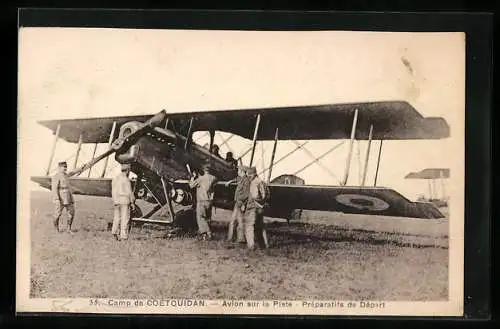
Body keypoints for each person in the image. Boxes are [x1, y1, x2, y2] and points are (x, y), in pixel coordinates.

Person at [243, 166, 270, 250]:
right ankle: (265, 244)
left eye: (249, 175)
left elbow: (255, 196)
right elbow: (268, 193)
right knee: (260, 226)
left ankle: (251, 245)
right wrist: (263, 202)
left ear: (252, 174)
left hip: (253, 206)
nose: (248, 176)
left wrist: (256, 201)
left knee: (249, 225)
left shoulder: (254, 183)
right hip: (261, 207)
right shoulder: (262, 181)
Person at [189, 163, 218, 240]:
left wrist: (193, 177)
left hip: (202, 201)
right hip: (210, 201)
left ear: (203, 170)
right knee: (207, 217)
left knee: (201, 218)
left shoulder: (200, 179)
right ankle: (205, 235)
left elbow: (191, 185)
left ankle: (208, 233)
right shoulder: (214, 178)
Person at [224, 165, 250, 243]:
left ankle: (240, 239)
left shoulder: (246, 181)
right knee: (233, 221)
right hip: (237, 203)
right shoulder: (241, 178)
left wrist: (243, 204)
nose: (237, 171)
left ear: (242, 171)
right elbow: (236, 179)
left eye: (239, 170)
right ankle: (230, 238)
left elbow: (246, 194)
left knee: (240, 222)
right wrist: (230, 181)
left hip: (240, 203)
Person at [111, 164, 136, 241]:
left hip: (116, 200)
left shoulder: (115, 179)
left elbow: (113, 191)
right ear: (128, 170)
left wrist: (114, 200)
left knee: (116, 218)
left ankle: (114, 232)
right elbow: (129, 192)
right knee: (125, 218)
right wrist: (132, 202)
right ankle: (123, 236)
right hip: (125, 200)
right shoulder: (126, 180)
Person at [51, 161, 75, 233]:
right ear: (59, 168)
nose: (65, 168)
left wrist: (81, 168)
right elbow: (54, 189)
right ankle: (56, 229)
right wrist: (56, 199)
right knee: (57, 214)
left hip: (68, 197)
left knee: (71, 213)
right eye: (63, 167)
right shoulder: (56, 176)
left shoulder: (66, 175)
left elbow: (73, 172)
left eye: (66, 167)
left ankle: (69, 229)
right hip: (60, 198)